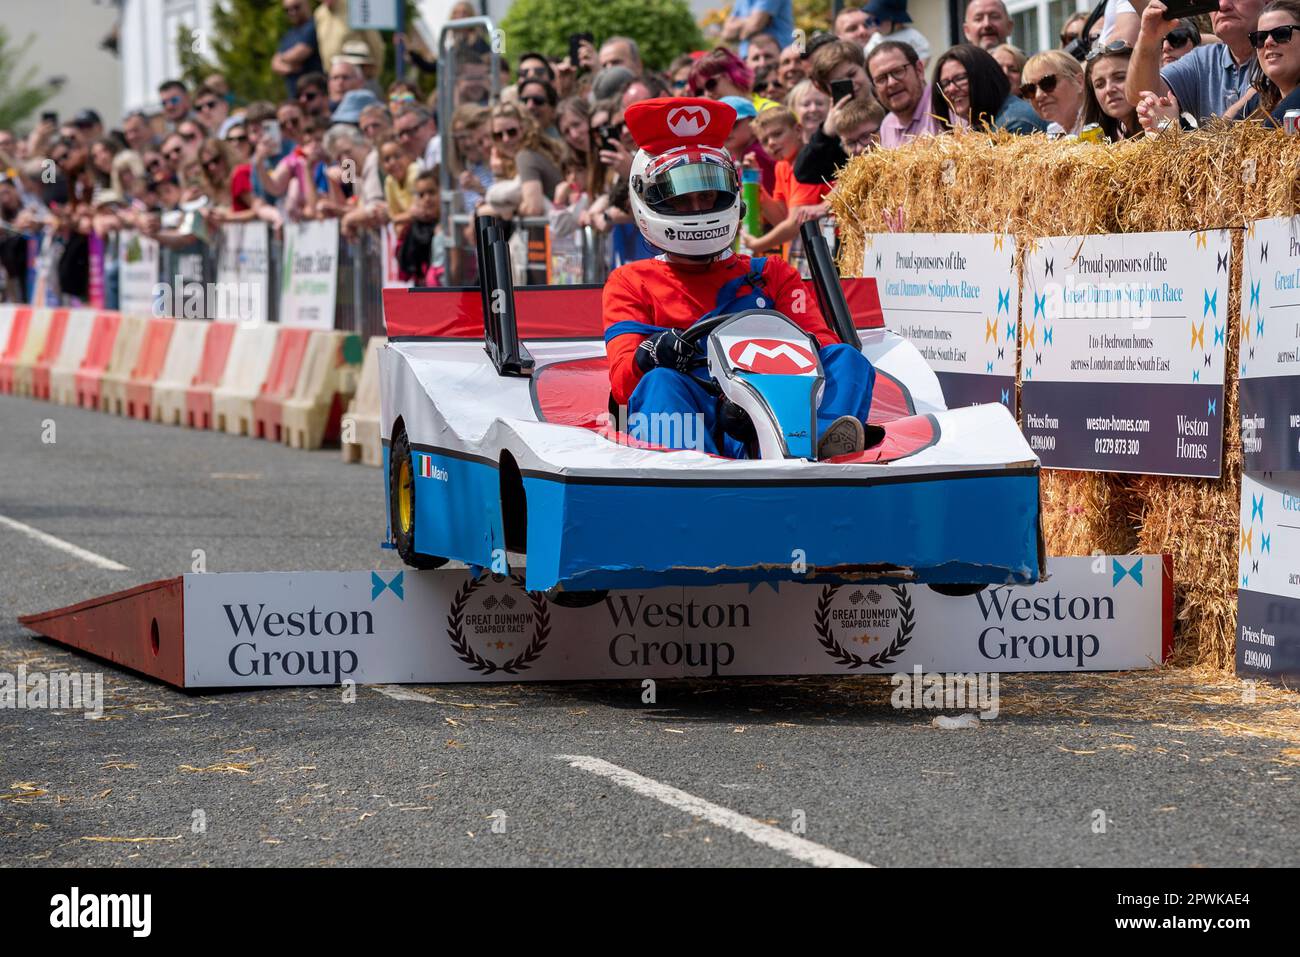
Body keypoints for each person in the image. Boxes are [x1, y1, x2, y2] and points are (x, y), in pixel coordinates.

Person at [603, 97, 877, 460]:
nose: (698, 208)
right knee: (659, 381)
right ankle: (689, 472)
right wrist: (651, 356)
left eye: (708, 194)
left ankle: (822, 440)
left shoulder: (771, 273)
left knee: (846, 358)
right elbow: (623, 386)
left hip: (776, 403)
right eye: (683, 200)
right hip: (690, 407)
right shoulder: (631, 280)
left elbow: (821, 348)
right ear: (646, 199)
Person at [1126, 0, 1264, 122]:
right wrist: (1147, 38)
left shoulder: (1282, 52)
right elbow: (1141, 94)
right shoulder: (1202, 60)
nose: (1222, 5)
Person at [742, 107, 830, 258]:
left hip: (834, 244)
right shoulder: (781, 166)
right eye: (764, 140)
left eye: (777, 134)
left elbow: (795, 224)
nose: (771, 143)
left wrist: (757, 244)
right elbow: (781, 218)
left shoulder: (808, 162)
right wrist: (755, 184)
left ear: (797, 130)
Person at [930, 43, 1047, 133]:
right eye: (944, 83)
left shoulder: (1015, 122)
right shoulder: (984, 123)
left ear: (984, 76)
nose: (951, 89)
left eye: (960, 78)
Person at [867, 40, 942, 148]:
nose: (891, 83)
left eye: (898, 71)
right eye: (881, 79)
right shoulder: (887, 126)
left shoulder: (945, 104)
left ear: (919, 70)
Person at [690, 47, 781, 112]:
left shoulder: (770, 111)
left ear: (733, 75)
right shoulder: (710, 128)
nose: (707, 94)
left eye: (710, 84)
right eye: (699, 92)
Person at [1019, 49, 1087, 135]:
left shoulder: (1103, 127)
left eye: (1047, 83)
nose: (1038, 95)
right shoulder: (1052, 133)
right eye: (1030, 89)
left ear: (1079, 82)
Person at [1084, 42, 1142, 139]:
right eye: (1099, 84)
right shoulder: (1096, 144)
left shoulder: (1162, 127)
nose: (1109, 89)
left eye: (1120, 77)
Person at [721, 96, 776, 192]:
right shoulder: (735, 157)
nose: (727, 131)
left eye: (734, 124)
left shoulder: (755, 154)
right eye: (721, 126)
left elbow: (765, 196)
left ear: (753, 123)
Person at [273, 0, 324, 98]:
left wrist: (282, 59)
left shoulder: (314, 26)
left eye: (296, 7)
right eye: (287, 10)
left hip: (314, 96)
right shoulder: (289, 34)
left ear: (306, 4)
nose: (292, 12)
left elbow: (300, 53)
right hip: (294, 95)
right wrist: (290, 68)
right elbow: (275, 64)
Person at [863, 0, 933, 64]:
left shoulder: (912, 36)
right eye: (870, 21)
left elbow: (924, 55)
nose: (874, 25)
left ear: (895, 20)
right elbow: (867, 57)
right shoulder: (875, 38)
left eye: (877, 21)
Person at [721, 0, 795, 57]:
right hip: (749, 59)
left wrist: (739, 25)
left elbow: (754, 26)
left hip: (776, 57)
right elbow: (726, 34)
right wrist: (750, 21)